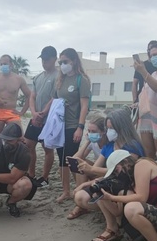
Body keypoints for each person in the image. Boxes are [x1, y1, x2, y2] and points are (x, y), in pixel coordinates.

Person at [71, 110, 145, 218]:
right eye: (108, 128)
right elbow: (96, 168)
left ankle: (113, 223)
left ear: (121, 128)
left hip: (128, 184)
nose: (108, 131)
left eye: (111, 128)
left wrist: (90, 174)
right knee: (82, 196)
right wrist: (90, 176)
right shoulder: (111, 145)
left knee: (100, 189)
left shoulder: (132, 146)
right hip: (111, 179)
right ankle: (109, 213)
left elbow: (124, 172)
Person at [47, 48, 90, 203]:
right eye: (61, 62)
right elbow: (53, 101)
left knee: (72, 158)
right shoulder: (60, 80)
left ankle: (80, 188)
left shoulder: (81, 79)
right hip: (59, 125)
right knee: (61, 158)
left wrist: (80, 126)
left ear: (74, 61)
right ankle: (66, 191)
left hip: (73, 124)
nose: (63, 65)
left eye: (65, 61)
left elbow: (84, 106)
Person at [25, 46, 59, 188]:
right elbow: (32, 96)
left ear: (54, 59)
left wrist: (44, 112)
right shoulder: (38, 77)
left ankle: (45, 177)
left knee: (47, 148)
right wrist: (33, 113)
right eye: (43, 60)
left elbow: (55, 97)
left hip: (49, 119)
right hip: (35, 118)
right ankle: (31, 174)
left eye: (47, 60)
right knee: (28, 146)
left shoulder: (58, 76)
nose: (44, 63)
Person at [65, 113, 108, 219]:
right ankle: (80, 203)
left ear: (103, 132)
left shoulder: (109, 144)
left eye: (93, 131)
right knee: (79, 164)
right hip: (96, 170)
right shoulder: (93, 141)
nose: (90, 133)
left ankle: (80, 202)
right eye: (89, 131)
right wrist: (87, 141)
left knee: (82, 165)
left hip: (105, 172)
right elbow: (74, 160)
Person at [0, 54, 31, 139]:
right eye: (1, 64)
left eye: (5, 64)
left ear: (11, 64)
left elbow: (29, 95)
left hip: (11, 112)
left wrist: (22, 112)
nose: (3, 66)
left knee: (19, 138)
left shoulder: (18, 79)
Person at [132, 40, 157, 105]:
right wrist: (135, 100)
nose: (150, 51)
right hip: (141, 99)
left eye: (153, 48)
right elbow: (134, 83)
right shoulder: (141, 65)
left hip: (156, 99)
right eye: (149, 49)